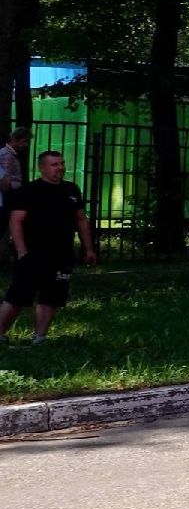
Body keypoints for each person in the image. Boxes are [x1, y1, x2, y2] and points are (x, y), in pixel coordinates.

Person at [2, 149, 95, 345]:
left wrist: (88, 248)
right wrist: (21, 252)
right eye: (54, 164)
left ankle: (40, 337)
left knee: (52, 297)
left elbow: (81, 219)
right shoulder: (29, 191)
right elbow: (15, 221)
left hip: (62, 253)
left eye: (61, 163)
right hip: (33, 252)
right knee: (18, 296)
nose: (60, 168)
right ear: (42, 168)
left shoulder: (71, 190)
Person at [0, 127, 27, 210]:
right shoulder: (6, 155)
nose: (26, 145)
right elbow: (4, 181)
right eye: (24, 141)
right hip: (8, 195)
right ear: (14, 140)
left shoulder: (10, 154)